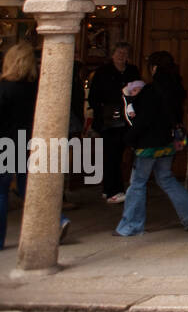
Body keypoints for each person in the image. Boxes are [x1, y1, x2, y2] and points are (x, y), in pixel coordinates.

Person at [114, 77, 188, 236]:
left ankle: (131, 226)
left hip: (148, 146)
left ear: (155, 68)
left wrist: (128, 139)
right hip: (167, 143)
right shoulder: (175, 89)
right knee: (166, 178)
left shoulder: (150, 92)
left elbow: (141, 121)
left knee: (138, 183)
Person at [0, 42, 71, 246]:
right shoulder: (37, 87)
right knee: (29, 187)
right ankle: (59, 220)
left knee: (1, 191)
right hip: (30, 142)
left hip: (5, 144)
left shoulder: (4, 87)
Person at [88, 42, 140, 203]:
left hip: (128, 117)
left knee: (120, 153)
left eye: (125, 53)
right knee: (112, 154)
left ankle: (110, 188)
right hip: (108, 118)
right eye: (119, 52)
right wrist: (102, 112)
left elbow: (139, 91)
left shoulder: (132, 71)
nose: (121, 56)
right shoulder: (103, 72)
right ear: (112, 54)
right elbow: (94, 97)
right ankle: (113, 190)